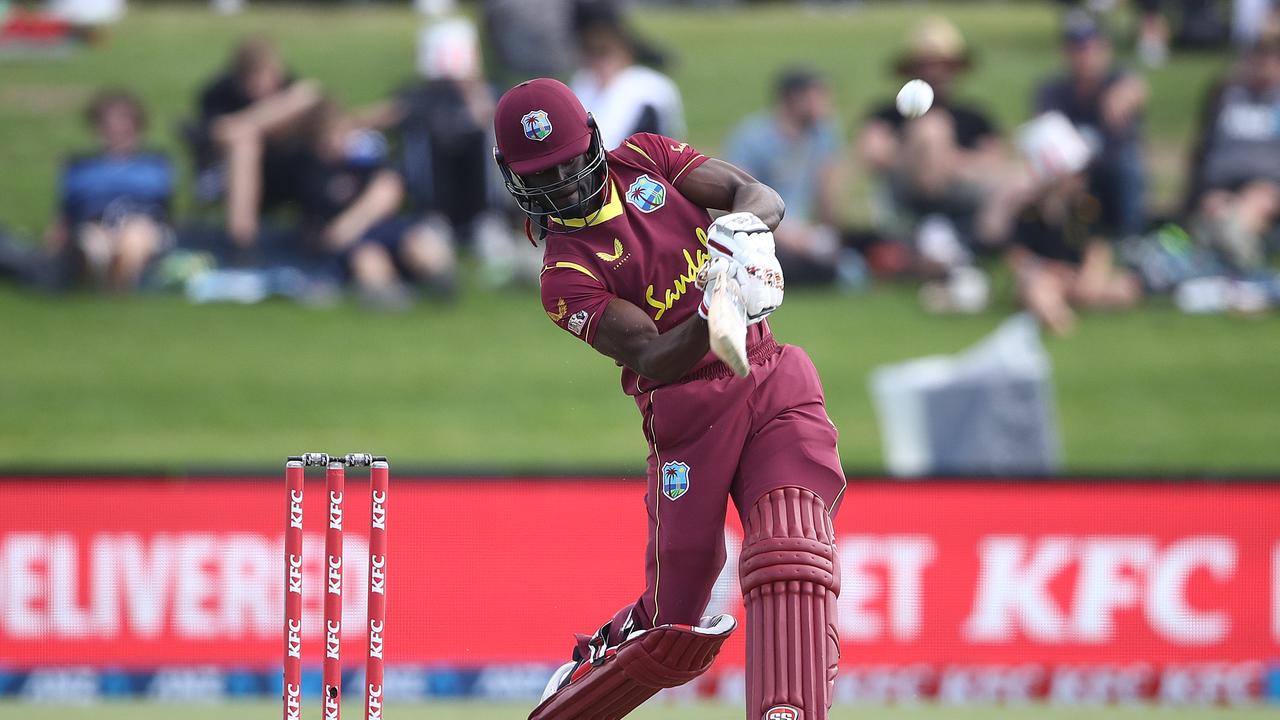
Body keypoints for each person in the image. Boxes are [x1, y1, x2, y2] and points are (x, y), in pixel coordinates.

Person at [493, 78, 844, 720]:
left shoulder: (645, 158)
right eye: (546, 176)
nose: (567, 186)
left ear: (595, 140)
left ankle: (788, 710)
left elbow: (754, 194)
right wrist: (721, 305)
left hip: (768, 376)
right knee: (676, 625)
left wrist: (746, 236)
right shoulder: (565, 276)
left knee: (792, 550)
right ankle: (578, 689)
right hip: (687, 416)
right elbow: (652, 354)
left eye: (572, 163)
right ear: (515, 179)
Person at [360, 18, 530, 286]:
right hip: (433, 211)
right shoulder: (417, 99)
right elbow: (373, 120)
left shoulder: (492, 97)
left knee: (498, 251)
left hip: (486, 211)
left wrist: (478, 99)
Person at [857, 16, 1003, 272]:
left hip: (961, 188)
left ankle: (982, 246)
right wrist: (922, 151)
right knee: (931, 130)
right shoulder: (887, 113)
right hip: (905, 190)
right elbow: (871, 150)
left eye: (942, 64)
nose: (934, 71)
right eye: (926, 64)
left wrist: (949, 160)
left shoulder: (974, 115)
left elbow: (995, 159)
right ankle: (934, 226)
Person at [978, 112, 1141, 336]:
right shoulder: (1029, 211)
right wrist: (1048, 271)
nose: (1081, 180)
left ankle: (1074, 304)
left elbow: (1097, 247)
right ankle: (1058, 318)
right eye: (1074, 173)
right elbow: (1017, 256)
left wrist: (1090, 276)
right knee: (1037, 291)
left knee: (1124, 287)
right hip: (1046, 278)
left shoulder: (1087, 207)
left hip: (1077, 278)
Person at [295, 101, 455, 308]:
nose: (340, 140)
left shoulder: (364, 160)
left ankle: (440, 285)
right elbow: (330, 235)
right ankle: (390, 297)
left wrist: (354, 221)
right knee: (369, 258)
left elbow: (389, 189)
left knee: (420, 243)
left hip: (383, 229)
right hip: (352, 245)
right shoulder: (312, 173)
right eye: (332, 135)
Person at [725, 67, 859, 287]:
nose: (826, 104)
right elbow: (739, 203)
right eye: (819, 96)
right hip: (767, 234)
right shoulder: (752, 138)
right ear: (795, 99)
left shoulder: (823, 134)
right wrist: (791, 236)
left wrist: (829, 235)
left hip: (806, 231)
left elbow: (827, 194)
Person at [191, 37, 322, 251]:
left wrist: (250, 123)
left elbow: (311, 96)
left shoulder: (289, 87)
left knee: (247, 131)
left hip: (290, 171)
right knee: (244, 144)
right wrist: (270, 120)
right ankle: (242, 245)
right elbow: (218, 134)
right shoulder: (218, 94)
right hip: (227, 175)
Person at [1034, 10, 1149, 239]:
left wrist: (1126, 95)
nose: (1085, 55)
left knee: (1129, 167)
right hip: (1072, 169)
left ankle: (1129, 237)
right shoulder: (1053, 91)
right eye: (1077, 48)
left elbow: (1137, 89)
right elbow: (1047, 136)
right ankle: (1058, 242)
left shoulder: (1119, 81)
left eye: (1090, 47)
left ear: (1105, 48)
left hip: (1111, 164)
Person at [46, 89, 174, 292]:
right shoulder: (81, 166)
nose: (117, 128)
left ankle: (119, 285)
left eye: (124, 122)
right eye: (109, 123)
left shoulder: (154, 164)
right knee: (93, 244)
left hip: (140, 224)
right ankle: (103, 280)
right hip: (95, 224)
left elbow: (164, 211)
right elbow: (65, 214)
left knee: (134, 236)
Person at [1185, 32, 1280, 270]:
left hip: (1267, 190)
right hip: (1220, 188)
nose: (1262, 66)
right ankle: (1230, 246)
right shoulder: (1225, 95)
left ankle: (1241, 257)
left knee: (1255, 202)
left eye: (1269, 58)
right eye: (1256, 58)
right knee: (1218, 209)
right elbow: (1202, 151)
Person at [569, 1, 685, 149]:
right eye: (593, 53)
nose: (600, 63)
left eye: (605, 53)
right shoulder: (582, 82)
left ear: (624, 51)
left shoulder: (651, 88)